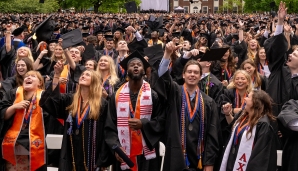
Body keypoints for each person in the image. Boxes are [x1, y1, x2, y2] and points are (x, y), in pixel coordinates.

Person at [156, 42, 220, 171]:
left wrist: (209, 163)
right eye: (189, 72)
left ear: (200, 76)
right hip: (175, 156)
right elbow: (163, 77)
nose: (192, 75)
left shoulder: (208, 102)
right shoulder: (174, 93)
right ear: (183, 75)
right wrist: (167, 54)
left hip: (198, 158)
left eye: (196, 72)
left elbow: (213, 134)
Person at [40, 63, 112, 170]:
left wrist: (102, 160)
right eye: (82, 74)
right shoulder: (70, 100)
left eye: (87, 75)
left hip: (92, 157)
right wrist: (56, 75)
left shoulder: (102, 105)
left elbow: (107, 132)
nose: (83, 76)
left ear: (95, 81)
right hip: (70, 153)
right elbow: (52, 101)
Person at [104, 52, 165, 171]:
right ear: (127, 70)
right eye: (132, 65)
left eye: (139, 65)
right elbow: (110, 125)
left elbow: (161, 120)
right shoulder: (116, 96)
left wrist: (144, 124)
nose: (136, 66)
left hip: (146, 153)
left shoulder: (153, 95)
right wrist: (116, 147)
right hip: (123, 153)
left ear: (144, 71)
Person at [264, 1, 298, 115]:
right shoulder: (279, 69)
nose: (290, 54)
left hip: (290, 128)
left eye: (294, 55)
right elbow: (276, 49)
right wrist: (280, 22)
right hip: (269, 121)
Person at [0, 71, 48, 171]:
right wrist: (14, 107)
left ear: (40, 82)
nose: (28, 78)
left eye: (33, 76)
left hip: (35, 141)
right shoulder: (13, 93)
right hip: (12, 140)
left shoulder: (44, 96)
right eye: (26, 76)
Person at [219, 90, 278, 171]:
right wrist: (228, 113)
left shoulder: (263, 124)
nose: (245, 99)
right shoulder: (243, 116)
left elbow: (260, 156)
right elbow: (234, 129)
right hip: (232, 161)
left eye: (248, 97)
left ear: (255, 102)